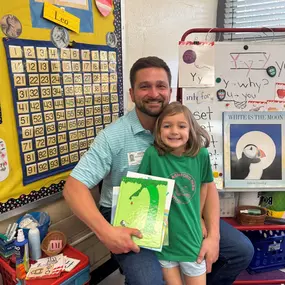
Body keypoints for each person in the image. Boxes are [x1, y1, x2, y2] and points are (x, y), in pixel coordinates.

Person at [63, 56, 254, 285]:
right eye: (145, 87)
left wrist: (213, 236)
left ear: (169, 91)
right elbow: (73, 188)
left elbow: (206, 184)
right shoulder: (113, 137)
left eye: (160, 86)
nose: (154, 93)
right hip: (133, 215)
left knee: (241, 251)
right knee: (148, 281)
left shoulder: (184, 129)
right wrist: (106, 232)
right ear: (132, 94)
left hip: (183, 208)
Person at [137, 101, 213, 285]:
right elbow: (139, 187)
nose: (174, 131)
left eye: (181, 126)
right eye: (167, 126)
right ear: (158, 130)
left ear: (191, 129)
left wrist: (200, 216)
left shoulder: (201, 155)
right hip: (163, 241)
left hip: (191, 239)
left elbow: (205, 186)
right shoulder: (152, 155)